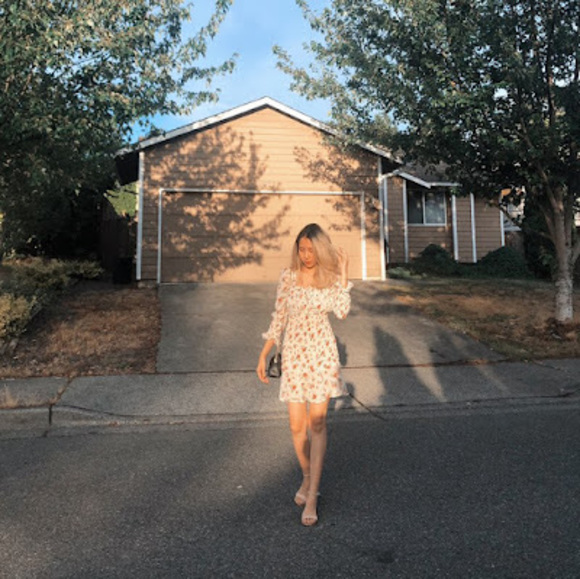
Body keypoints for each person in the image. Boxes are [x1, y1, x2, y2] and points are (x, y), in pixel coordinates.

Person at [256, 223, 352, 526]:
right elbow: (279, 317)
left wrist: (344, 273)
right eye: (302, 249)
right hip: (295, 356)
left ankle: (312, 494)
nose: (306, 255)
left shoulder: (330, 277)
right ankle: (307, 475)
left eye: (311, 249)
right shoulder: (288, 276)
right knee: (297, 425)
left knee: (317, 423)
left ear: (320, 249)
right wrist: (264, 353)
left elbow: (342, 311)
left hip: (322, 356)